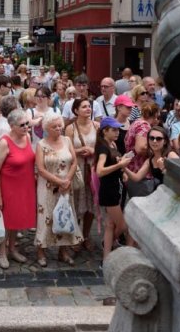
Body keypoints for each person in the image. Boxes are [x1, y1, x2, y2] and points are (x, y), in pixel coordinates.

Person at [34, 111, 83, 266]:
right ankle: (41, 251)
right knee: (46, 217)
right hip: (47, 187)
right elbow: (40, 169)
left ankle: (63, 251)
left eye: (60, 125)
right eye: (54, 126)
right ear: (47, 128)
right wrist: (59, 181)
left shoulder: (67, 140)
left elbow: (74, 162)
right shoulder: (41, 145)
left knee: (65, 216)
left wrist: (67, 179)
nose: (59, 128)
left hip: (66, 186)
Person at [0, 109, 37, 269]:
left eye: (27, 123)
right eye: (22, 125)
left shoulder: (27, 137)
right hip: (8, 186)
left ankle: (12, 248)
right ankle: (2, 252)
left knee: (17, 219)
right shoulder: (4, 142)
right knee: (6, 220)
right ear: (12, 126)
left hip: (25, 185)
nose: (26, 127)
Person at [94, 116, 136, 259]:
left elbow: (113, 165)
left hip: (115, 187)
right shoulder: (103, 148)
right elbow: (99, 171)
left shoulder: (112, 144)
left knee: (110, 225)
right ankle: (108, 244)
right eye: (114, 130)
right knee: (122, 226)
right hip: (109, 190)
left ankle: (106, 256)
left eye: (118, 129)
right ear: (104, 131)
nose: (117, 132)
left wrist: (121, 172)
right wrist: (120, 165)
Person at [65, 98, 98, 249]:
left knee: (90, 204)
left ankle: (86, 236)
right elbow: (66, 150)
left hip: (92, 170)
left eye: (89, 106)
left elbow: (103, 147)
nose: (88, 109)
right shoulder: (71, 128)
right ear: (76, 110)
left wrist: (93, 151)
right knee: (75, 203)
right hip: (76, 169)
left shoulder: (97, 126)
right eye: (84, 107)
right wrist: (79, 151)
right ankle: (75, 235)